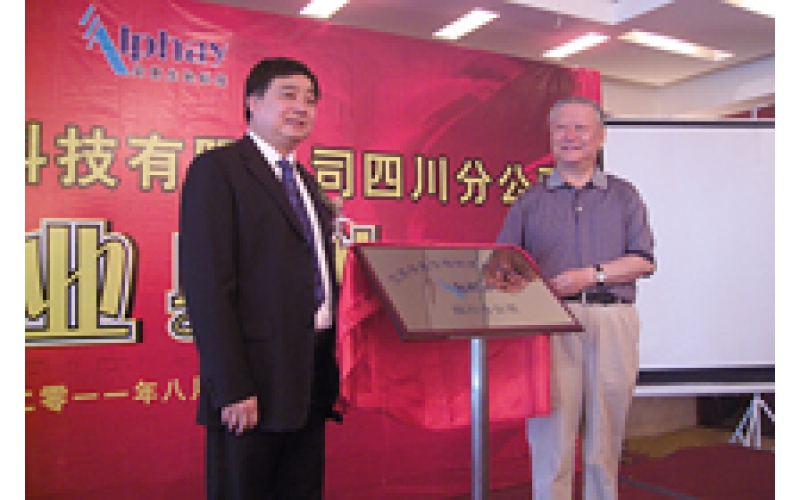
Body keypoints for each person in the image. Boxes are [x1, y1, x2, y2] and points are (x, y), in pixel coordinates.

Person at [179, 57, 340, 500]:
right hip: (253, 382)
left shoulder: (306, 182)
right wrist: (232, 386)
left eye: (311, 99)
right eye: (288, 94)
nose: (302, 107)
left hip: (309, 374)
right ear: (252, 102)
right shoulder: (218, 170)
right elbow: (207, 287)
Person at [488, 96, 655, 499]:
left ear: (600, 137)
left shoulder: (623, 195)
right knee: (551, 438)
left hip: (612, 320)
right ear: (550, 137)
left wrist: (591, 275)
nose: (570, 136)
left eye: (581, 128)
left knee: (605, 436)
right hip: (552, 325)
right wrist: (505, 275)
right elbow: (503, 261)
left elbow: (644, 260)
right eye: (561, 128)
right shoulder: (530, 200)